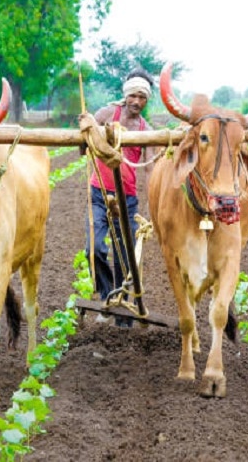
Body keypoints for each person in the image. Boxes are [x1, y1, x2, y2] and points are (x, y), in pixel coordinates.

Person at [84, 68, 157, 327]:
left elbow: (150, 169)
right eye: (134, 96)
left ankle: (123, 322)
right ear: (126, 95)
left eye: (143, 98)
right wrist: (86, 125)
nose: (137, 102)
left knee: (125, 258)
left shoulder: (147, 130)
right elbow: (85, 130)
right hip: (99, 193)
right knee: (94, 249)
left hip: (127, 200)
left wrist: (153, 206)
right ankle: (107, 299)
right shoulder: (106, 114)